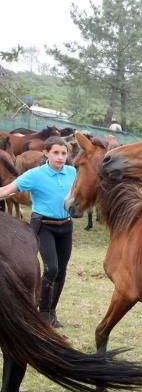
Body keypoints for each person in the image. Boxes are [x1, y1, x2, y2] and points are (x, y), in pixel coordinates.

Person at [0, 136, 76, 327]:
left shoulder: (72, 172)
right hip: (43, 226)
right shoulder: (35, 175)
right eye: (56, 153)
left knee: (62, 271)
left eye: (63, 153)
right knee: (51, 268)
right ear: (46, 153)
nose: (60, 157)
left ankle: (52, 312)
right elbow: (8, 189)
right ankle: (42, 314)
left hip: (65, 225)